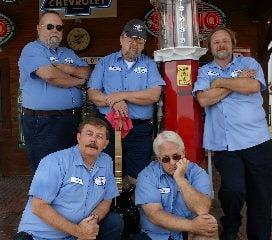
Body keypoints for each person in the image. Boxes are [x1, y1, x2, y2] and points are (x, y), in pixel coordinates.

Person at [193, 26, 272, 240]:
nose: (221, 44)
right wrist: (234, 83)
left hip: (257, 141)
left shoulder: (249, 63)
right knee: (232, 191)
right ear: (210, 47)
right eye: (216, 42)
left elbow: (252, 87)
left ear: (232, 44)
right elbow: (204, 99)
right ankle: (230, 226)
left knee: (260, 197)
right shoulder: (204, 71)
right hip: (224, 144)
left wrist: (219, 84)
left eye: (225, 41)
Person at [15, 117, 124, 240]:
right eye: (89, 134)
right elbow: (39, 206)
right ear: (78, 138)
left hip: (78, 233)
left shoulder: (106, 161)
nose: (93, 139)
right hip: (40, 235)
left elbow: (107, 199)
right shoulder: (55, 161)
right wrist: (79, 232)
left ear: (105, 144)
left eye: (99, 136)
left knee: (114, 222)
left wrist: (92, 221)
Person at [88, 19, 165, 179]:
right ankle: (113, 204)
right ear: (122, 38)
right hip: (108, 128)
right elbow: (93, 94)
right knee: (107, 174)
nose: (134, 44)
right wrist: (114, 101)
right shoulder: (105, 62)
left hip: (139, 131)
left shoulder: (149, 65)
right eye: (131, 39)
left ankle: (134, 204)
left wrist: (122, 95)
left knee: (139, 176)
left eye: (139, 41)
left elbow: (154, 95)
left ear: (144, 44)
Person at [18, 10, 91, 173]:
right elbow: (50, 75)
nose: (55, 30)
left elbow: (87, 72)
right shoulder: (31, 49)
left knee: (70, 170)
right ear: (39, 28)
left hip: (72, 120)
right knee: (48, 172)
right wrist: (78, 81)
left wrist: (66, 68)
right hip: (44, 122)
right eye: (50, 26)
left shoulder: (68, 52)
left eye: (59, 27)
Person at [135, 131, 218, 240]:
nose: (172, 162)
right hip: (156, 236)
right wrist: (191, 225)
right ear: (159, 159)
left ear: (183, 153)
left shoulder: (197, 172)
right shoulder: (147, 175)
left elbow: (202, 209)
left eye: (176, 156)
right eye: (166, 159)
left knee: (209, 228)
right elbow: (155, 215)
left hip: (187, 233)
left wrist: (180, 179)